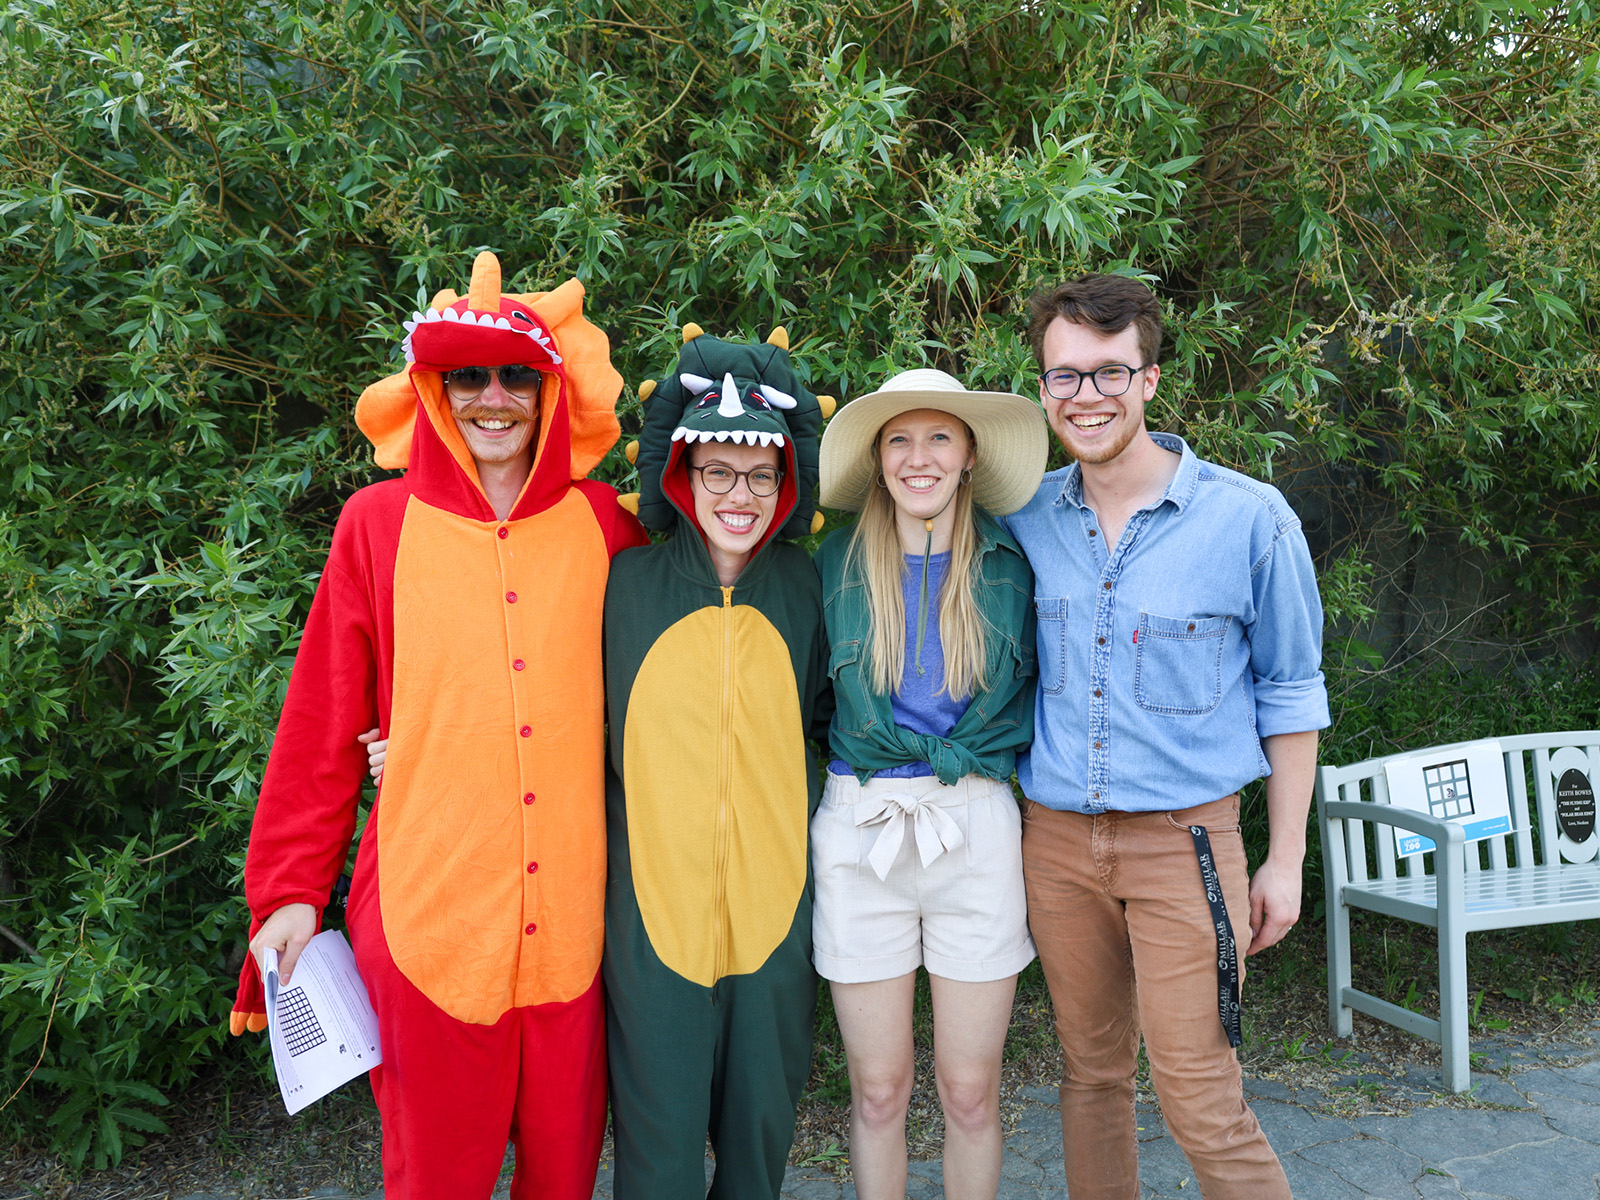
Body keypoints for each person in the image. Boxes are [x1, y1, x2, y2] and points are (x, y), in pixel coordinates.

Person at [231, 252, 645, 1200]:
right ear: (433, 388)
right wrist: (291, 889)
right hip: (430, 923)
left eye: (514, 377)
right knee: (432, 1182)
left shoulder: (606, 529)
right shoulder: (375, 526)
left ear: (549, 394)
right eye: (467, 376)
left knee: (565, 1178)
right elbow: (323, 720)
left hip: (575, 930)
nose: (491, 398)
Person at [1004, 274, 1330, 1199]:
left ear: (1149, 381)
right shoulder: (1025, 519)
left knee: (1199, 1097)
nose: (1087, 396)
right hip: (1057, 845)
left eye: (1110, 373)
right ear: (1041, 390)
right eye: (1065, 377)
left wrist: (1284, 859)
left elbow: (1293, 695)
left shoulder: (1248, 519)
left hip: (1186, 847)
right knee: (1091, 1078)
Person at [598, 326, 834, 1200]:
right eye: (719, 472)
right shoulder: (624, 587)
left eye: (761, 475)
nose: (740, 494)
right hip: (652, 924)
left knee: (757, 1145)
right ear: (682, 474)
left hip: (775, 919)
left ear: (786, 483)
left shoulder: (811, 588)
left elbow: (837, 721)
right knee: (655, 1156)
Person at [811, 368, 1047, 1200]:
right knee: (878, 1090)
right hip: (862, 825)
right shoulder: (834, 561)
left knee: (970, 1091)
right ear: (878, 461)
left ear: (970, 455)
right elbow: (805, 704)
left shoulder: (1012, 566)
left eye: (939, 436)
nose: (921, 457)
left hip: (976, 826)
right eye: (900, 439)